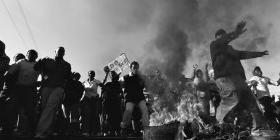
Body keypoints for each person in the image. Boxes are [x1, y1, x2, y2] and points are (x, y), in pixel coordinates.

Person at [210, 20, 272, 136]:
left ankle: (258, 130)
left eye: (225, 35)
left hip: (238, 78)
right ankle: (218, 124)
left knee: (252, 102)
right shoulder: (214, 45)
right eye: (222, 36)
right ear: (218, 37)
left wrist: (259, 53)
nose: (224, 37)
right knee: (232, 99)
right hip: (225, 78)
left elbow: (243, 54)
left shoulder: (230, 49)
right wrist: (236, 32)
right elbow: (223, 41)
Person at [34, 47, 71, 138]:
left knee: (50, 107)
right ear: (55, 52)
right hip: (46, 87)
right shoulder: (47, 60)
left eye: (62, 51)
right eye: (59, 50)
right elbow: (36, 68)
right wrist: (41, 61)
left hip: (59, 88)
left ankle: (40, 132)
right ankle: (49, 130)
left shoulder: (67, 65)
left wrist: (65, 92)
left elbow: (68, 78)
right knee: (45, 108)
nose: (61, 52)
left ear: (64, 53)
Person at [3, 50, 39, 137]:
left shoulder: (38, 65)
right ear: (26, 55)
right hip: (18, 89)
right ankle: (8, 130)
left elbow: (45, 74)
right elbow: (9, 73)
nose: (32, 55)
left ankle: (31, 131)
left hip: (30, 90)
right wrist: (6, 84)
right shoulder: (21, 62)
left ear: (36, 56)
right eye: (30, 54)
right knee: (12, 109)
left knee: (29, 111)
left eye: (34, 55)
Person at [120, 61, 149, 136]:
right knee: (128, 112)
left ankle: (146, 128)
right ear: (131, 68)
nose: (136, 69)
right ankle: (123, 129)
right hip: (130, 98)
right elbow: (119, 85)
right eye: (134, 68)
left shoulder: (141, 77)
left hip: (140, 98)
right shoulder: (125, 77)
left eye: (137, 68)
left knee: (145, 110)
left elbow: (147, 86)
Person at [81, 70, 102, 137]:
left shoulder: (96, 81)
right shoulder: (84, 82)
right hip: (86, 100)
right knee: (87, 115)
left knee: (95, 115)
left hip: (94, 100)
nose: (92, 74)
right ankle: (86, 131)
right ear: (88, 74)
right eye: (90, 73)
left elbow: (103, 86)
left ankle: (97, 131)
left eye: (93, 73)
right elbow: (80, 89)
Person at [103, 71, 123, 136]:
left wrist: (119, 96)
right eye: (111, 75)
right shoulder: (108, 84)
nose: (112, 76)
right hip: (109, 103)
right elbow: (104, 92)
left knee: (117, 117)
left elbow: (121, 93)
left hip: (116, 102)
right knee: (109, 117)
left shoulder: (118, 84)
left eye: (113, 74)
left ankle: (117, 130)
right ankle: (110, 131)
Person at [0, 40, 10, 135]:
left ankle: (4, 128)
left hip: (1, 86)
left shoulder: (5, 58)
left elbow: (2, 68)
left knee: (2, 107)